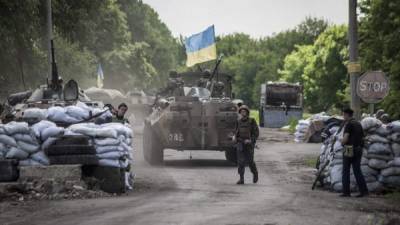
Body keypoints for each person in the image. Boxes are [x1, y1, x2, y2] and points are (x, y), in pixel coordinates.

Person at [340, 108, 369, 197]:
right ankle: (364, 191)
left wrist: (341, 142)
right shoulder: (358, 124)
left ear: (347, 115)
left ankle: (346, 192)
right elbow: (363, 137)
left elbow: (345, 139)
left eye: (343, 114)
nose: (343, 116)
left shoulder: (348, 124)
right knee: (357, 170)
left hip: (349, 148)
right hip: (359, 148)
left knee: (345, 170)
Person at [234, 105, 259, 184]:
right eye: (241, 111)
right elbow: (236, 132)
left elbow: (256, 133)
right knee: (240, 162)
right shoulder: (238, 121)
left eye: (244, 111)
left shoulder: (252, 121)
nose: (243, 112)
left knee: (250, 161)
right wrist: (235, 138)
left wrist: (251, 140)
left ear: (247, 112)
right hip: (240, 143)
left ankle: (255, 173)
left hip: (249, 144)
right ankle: (241, 179)